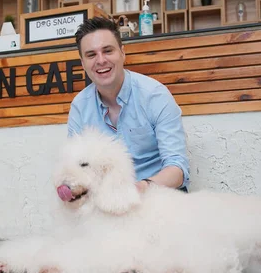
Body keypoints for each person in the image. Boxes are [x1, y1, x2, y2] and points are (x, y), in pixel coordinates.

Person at [67, 16, 190, 194]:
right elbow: (76, 168)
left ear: (122, 53)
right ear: (83, 63)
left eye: (108, 50)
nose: (101, 60)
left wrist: (140, 188)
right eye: (91, 55)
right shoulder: (79, 107)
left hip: (159, 197)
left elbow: (177, 170)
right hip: (108, 203)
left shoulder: (155, 95)